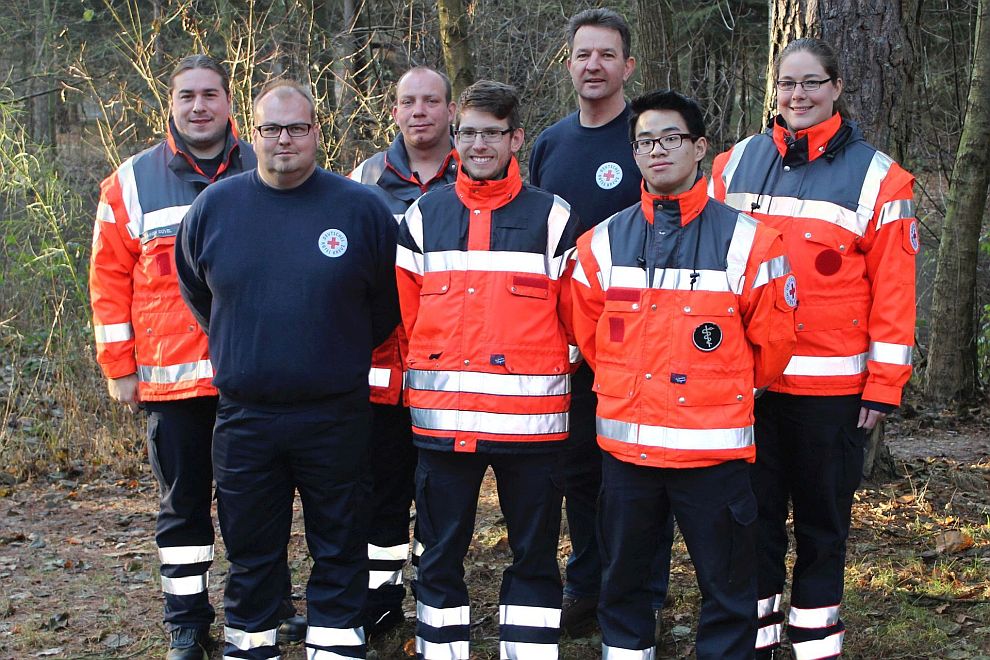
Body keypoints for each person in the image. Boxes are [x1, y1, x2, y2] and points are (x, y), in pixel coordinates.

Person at [175, 79, 400, 660]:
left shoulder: (361, 209)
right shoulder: (215, 208)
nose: (284, 140)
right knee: (251, 553)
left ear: (316, 133)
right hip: (246, 418)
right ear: (252, 134)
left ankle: (334, 648)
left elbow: (385, 307)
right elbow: (201, 295)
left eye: (297, 128)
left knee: (341, 546)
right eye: (271, 129)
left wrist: (326, 349)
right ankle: (251, 648)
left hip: (336, 416)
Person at [88, 54, 303, 660]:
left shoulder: (273, 164)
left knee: (258, 504)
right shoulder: (129, 183)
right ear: (171, 105)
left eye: (210, 94)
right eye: (187, 96)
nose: (199, 106)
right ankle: (186, 620)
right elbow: (108, 281)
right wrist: (120, 367)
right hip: (171, 385)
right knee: (183, 509)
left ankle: (269, 606)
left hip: (254, 377)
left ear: (230, 104)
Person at [571, 89, 798, 659]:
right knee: (622, 585)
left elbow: (772, 346)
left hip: (713, 457)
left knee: (727, 590)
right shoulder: (599, 244)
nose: (657, 151)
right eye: (645, 141)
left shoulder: (750, 242)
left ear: (699, 148)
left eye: (670, 138)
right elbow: (589, 335)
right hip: (627, 457)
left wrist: (715, 396)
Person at [710, 38, 917, 660]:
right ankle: (757, 640)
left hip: (832, 394)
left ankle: (816, 644)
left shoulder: (881, 178)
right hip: (750, 386)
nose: (797, 96)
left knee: (824, 527)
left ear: (836, 88)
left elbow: (895, 295)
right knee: (753, 521)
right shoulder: (732, 164)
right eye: (787, 84)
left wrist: (883, 387)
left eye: (810, 83)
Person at [396, 80, 582, 659]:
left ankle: (527, 651)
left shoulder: (553, 217)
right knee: (439, 550)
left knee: (534, 551)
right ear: (456, 137)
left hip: (530, 429)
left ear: (515, 138)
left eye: (492, 133)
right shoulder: (424, 216)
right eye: (469, 132)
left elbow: (577, 321)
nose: (479, 143)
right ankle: (442, 650)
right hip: (443, 428)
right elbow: (407, 317)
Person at [528, 7, 671, 634]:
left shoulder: (645, 141)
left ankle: (640, 594)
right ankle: (585, 586)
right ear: (569, 64)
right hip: (564, 340)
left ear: (628, 66)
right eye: (584, 54)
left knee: (638, 473)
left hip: (639, 342)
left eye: (607, 55)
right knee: (578, 472)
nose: (594, 65)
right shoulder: (549, 144)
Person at [348, 65, 457, 636]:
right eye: (408, 102)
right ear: (393, 111)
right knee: (382, 490)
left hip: (450, 368)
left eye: (431, 101)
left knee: (441, 493)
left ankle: (436, 596)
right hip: (380, 371)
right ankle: (382, 598)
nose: (420, 111)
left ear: (450, 110)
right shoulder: (362, 180)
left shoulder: (476, 173)